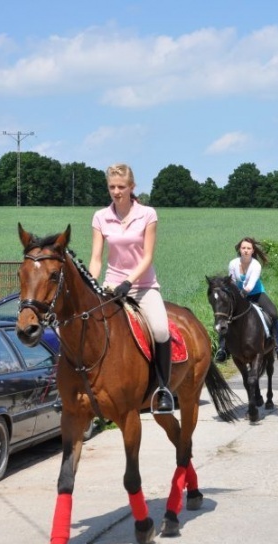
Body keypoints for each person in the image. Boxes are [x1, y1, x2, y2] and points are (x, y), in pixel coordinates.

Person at [89, 163, 175, 414]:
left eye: (121, 187)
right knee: (89, 327)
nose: (116, 192)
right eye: (112, 187)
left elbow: (147, 256)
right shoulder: (100, 217)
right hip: (111, 286)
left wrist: (129, 282)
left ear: (132, 187)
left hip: (143, 286)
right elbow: (96, 258)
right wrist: (94, 283)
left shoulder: (147, 214)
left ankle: (163, 389)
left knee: (160, 330)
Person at [215, 237, 278, 362]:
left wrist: (243, 293)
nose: (246, 251)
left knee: (273, 314)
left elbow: (250, 284)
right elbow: (231, 282)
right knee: (224, 315)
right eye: (243, 248)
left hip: (256, 293)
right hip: (237, 296)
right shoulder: (233, 263)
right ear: (239, 249)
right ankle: (222, 349)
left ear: (253, 251)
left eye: (248, 248)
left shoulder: (256, 265)